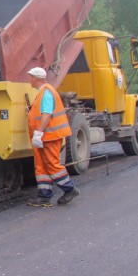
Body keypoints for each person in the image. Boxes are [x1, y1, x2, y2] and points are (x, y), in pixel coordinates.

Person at [26, 67, 80, 207]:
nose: (29, 79)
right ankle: (44, 197)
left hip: (49, 135)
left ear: (36, 79)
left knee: (52, 164)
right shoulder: (43, 92)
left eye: (31, 77)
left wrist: (38, 133)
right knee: (42, 166)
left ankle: (70, 189)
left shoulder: (46, 92)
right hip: (46, 136)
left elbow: (46, 114)